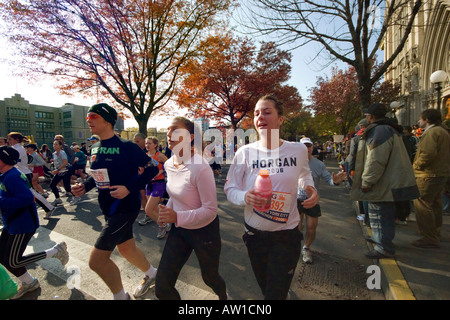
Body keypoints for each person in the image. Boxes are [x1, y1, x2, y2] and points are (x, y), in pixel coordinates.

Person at [224, 95, 318, 300]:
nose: (260, 117)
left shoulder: (298, 149)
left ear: (281, 119)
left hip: (286, 236)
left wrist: (309, 187)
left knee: (274, 295)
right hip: (254, 236)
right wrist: (245, 197)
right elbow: (230, 189)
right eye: (257, 113)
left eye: (267, 112)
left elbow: (304, 173)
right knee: (266, 287)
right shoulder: (244, 153)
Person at [71, 103, 159, 300]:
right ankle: (153, 274)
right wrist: (84, 187)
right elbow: (98, 175)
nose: (88, 120)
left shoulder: (126, 146)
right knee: (127, 249)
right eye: (87, 117)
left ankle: (121, 297)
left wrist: (129, 187)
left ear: (107, 121)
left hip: (125, 207)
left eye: (93, 116)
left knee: (97, 261)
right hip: (107, 207)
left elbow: (152, 168)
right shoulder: (95, 147)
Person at [154, 117, 228, 300]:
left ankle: (223, 296)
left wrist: (176, 216)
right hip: (179, 232)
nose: (169, 134)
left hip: (205, 232)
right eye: (168, 130)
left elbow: (210, 210)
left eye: (175, 130)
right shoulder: (170, 163)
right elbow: (175, 195)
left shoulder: (200, 167)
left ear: (190, 137)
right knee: (162, 285)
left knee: (210, 277)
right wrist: (167, 211)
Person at [350, 103, 419, 259]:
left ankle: (383, 247)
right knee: (381, 213)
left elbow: (376, 160)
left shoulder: (379, 131)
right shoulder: (389, 129)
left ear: (372, 117)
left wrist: (367, 181)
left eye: (367, 115)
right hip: (390, 180)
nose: (366, 117)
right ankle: (379, 239)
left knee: (380, 214)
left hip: (383, 183)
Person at [0, 145, 69, 299]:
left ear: (4, 160)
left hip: (22, 224)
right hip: (12, 222)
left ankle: (55, 252)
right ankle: (29, 282)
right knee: (2, 256)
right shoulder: (6, 174)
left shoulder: (12, 176)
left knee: (13, 260)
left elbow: (26, 198)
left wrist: (1, 201)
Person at [298, 137, 347, 264]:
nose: (307, 148)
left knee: (311, 227)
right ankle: (294, 247)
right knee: (296, 228)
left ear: (312, 148)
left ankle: (306, 248)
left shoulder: (319, 164)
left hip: (312, 200)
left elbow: (329, 180)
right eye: (304, 146)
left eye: (309, 146)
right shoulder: (293, 162)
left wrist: (335, 181)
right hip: (296, 199)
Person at [412, 108, 450, 248]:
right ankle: (434, 232)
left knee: (422, 204)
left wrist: (416, 166)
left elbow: (427, 153)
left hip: (428, 174)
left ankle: (429, 236)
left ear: (427, 120)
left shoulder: (432, 133)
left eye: (421, 119)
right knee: (435, 204)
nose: (419, 121)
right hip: (439, 173)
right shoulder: (443, 132)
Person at [7, 133, 55, 219]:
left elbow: (12, 162)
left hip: (23, 174)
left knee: (31, 193)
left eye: (10, 139)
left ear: (16, 139)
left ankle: (49, 207)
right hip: (20, 173)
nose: (8, 141)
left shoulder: (18, 149)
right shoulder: (15, 148)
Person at [139, 136, 170, 240]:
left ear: (155, 145)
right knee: (154, 207)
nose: (147, 145)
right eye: (146, 143)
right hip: (149, 184)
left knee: (148, 210)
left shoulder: (160, 155)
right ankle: (166, 222)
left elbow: (171, 166)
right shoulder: (145, 156)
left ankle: (162, 226)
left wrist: (161, 171)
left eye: (150, 143)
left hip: (159, 184)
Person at [49, 139, 72, 206]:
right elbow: (58, 161)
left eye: (56, 144)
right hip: (59, 172)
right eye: (53, 144)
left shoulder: (62, 153)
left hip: (64, 171)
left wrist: (57, 169)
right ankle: (58, 199)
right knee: (52, 185)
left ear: (60, 146)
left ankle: (76, 196)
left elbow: (65, 162)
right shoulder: (54, 153)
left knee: (67, 186)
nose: (54, 146)